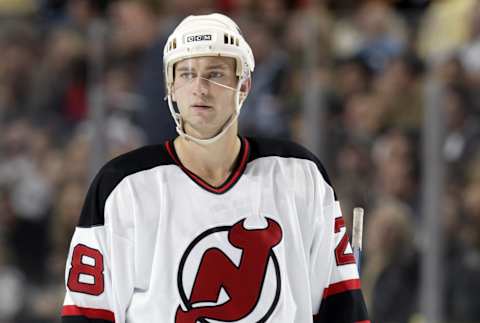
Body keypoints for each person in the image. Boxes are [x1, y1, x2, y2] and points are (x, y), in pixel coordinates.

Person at [60, 13, 369, 323]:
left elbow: (340, 304)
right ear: (171, 86)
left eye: (216, 74)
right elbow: (87, 314)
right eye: (187, 74)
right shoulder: (123, 186)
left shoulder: (299, 174)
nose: (200, 88)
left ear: (244, 85)